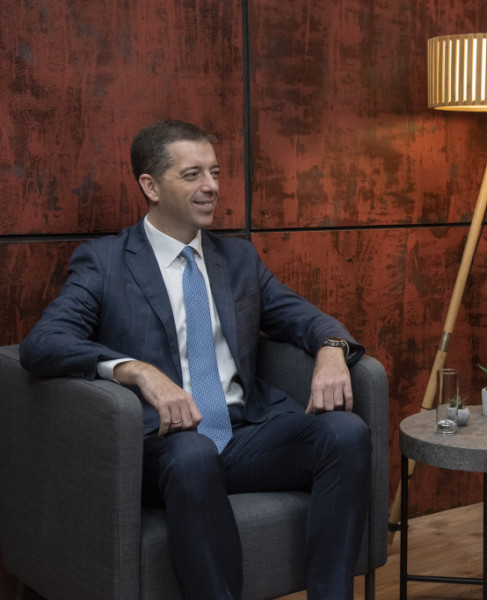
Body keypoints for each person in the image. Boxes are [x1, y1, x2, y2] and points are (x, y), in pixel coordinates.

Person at [19, 120, 371, 600]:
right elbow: (43, 343)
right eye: (193, 175)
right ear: (151, 186)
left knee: (346, 432)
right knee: (192, 454)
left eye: (215, 172)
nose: (211, 186)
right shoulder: (104, 261)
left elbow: (304, 318)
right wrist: (135, 370)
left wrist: (332, 348)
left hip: (244, 433)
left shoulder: (238, 259)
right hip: (163, 444)